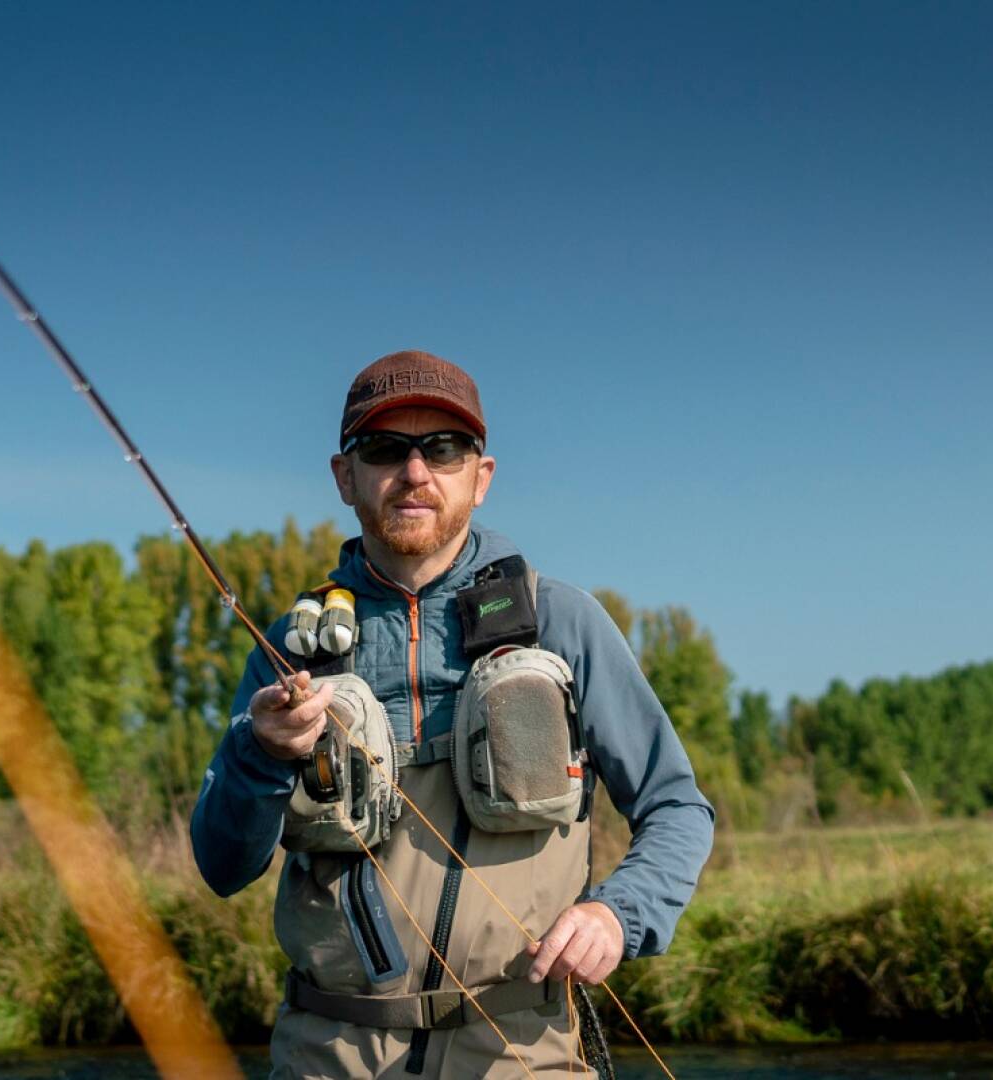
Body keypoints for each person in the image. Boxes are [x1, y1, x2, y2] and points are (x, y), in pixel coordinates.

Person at [190, 350, 714, 1078]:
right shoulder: (289, 651)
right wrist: (261, 754)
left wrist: (616, 916)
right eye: (384, 449)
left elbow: (677, 808)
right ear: (345, 477)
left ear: (482, 475)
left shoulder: (563, 621)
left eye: (443, 449)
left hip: (521, 1053)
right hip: (327, 1056)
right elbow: (222, 866)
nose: (415, 472)